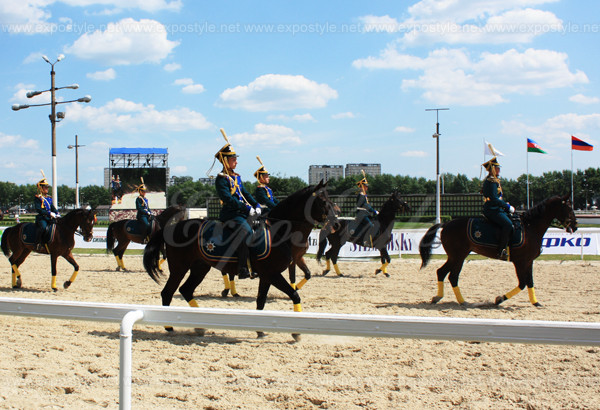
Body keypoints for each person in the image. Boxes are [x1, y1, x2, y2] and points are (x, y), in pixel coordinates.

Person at [214, 142, 261, 279]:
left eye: (236, 159)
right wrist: (246, 208)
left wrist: (256, 205)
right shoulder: (221, 179)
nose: (236, 162)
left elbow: (245, 194)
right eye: (233, 159)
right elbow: (228, 199)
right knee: (246, 231)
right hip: (231, 214)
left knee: (261, 227)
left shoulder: (237, 176)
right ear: (225, 161)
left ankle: (256, 264)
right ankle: (242, 268)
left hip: (242, 212)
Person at [481, 157, 515, 260]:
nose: (499, 170)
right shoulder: (491, 181)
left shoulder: (494, 180)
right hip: (492, 209)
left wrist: (504, 204)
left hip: (496, 208)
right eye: (497, 168)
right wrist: (507, 206)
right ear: (492, 169)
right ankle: (501, 250)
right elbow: (494, 199)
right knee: (508, 224)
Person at [34, 176, 59, 251]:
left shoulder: (48, 198)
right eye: (45, 187)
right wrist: (49, 213)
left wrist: (57, 213)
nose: (47, 189)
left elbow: (52, 207)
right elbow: (39, 209)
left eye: (47, 187)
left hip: (49, 218)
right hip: (42, 218)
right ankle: (38, 243)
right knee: (43, 228)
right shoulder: (38, 197)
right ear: (41, 188)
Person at [354, 173, 378, 247]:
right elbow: (365, 205)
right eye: (366, 186)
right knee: (370, 225)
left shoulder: (363, 195)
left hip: (365, 213)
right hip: (361, 214)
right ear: (362, 186)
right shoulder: (361, 195)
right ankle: (365, 240)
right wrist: (373, 211)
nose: (367, 188)